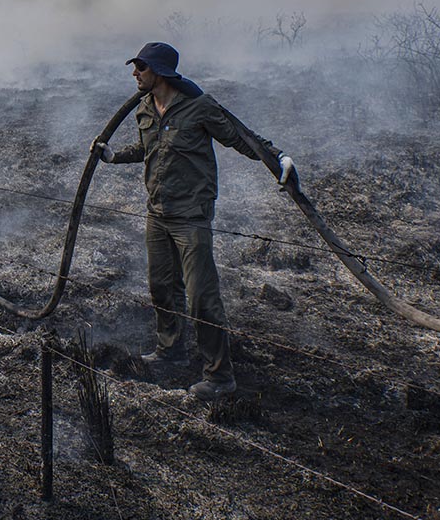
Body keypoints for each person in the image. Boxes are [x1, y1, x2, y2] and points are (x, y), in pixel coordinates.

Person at [94, 42, 295, 401]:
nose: (134, 73)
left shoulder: (199, 107)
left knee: (202, 296)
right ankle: (171, 351)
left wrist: (277, 158)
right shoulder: (144, 107)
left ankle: (220, 376)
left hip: (191, 216)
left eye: (140, 67)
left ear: (159, 71)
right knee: (162, 286)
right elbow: (146, 149)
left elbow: (239, 137)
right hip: (157, 213)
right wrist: (113, 156)